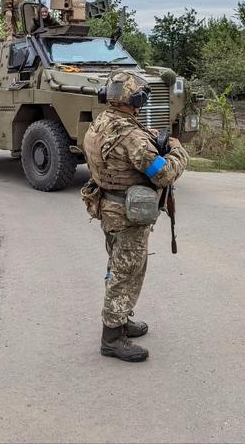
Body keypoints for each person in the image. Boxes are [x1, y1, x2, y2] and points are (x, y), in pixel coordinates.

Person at [82, 71, 190, 362]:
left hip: (109, 208)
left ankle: (121, 317)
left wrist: (150, 138)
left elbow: (121, 152)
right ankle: (113, 337)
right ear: (136, 99)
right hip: (127, 216)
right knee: (125, 271)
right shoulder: (129, 135)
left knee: (119, 264)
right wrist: (178, 152)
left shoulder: (101, 122)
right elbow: (163, 173)